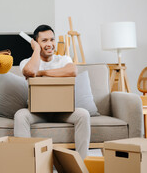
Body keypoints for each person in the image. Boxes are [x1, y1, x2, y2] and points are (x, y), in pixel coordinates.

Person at [14, 24, 90, 159]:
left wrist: (42, 73)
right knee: (20, 115)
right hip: (36, 112)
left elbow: (72, 71)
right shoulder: (26, 62)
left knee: (83, 114)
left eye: (52, 39)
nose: (50, 44)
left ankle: (81, 163)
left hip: (62, 112)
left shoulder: (63, 59)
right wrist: (36, 50)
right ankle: (25, 165)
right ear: (35, 43)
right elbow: (30, 71)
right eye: (44, 41)